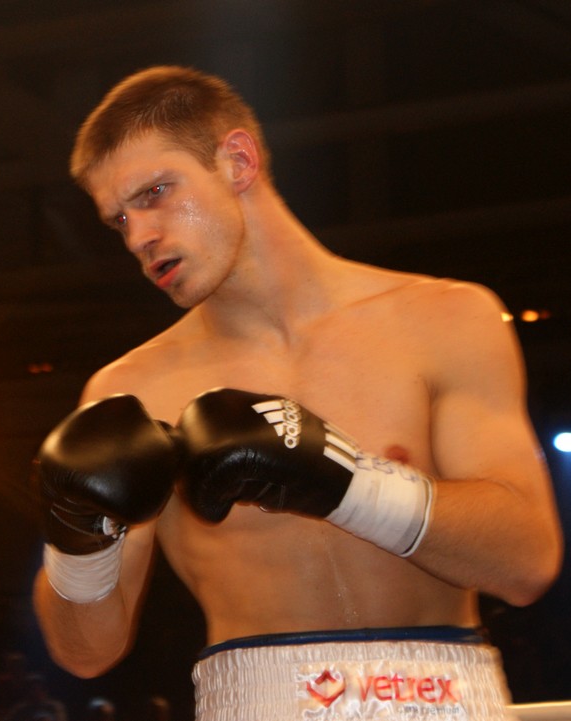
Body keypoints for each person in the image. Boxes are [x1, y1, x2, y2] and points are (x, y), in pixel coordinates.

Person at [31, 65, 563, 720]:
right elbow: (85, 652)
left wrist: (344, 481)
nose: (139, 236)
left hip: (447, 697)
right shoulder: (132, 390)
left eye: (156, 193)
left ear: (237, 161)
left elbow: (527, 561)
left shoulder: (446, 320)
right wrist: (76, 535)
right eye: (119, 220)